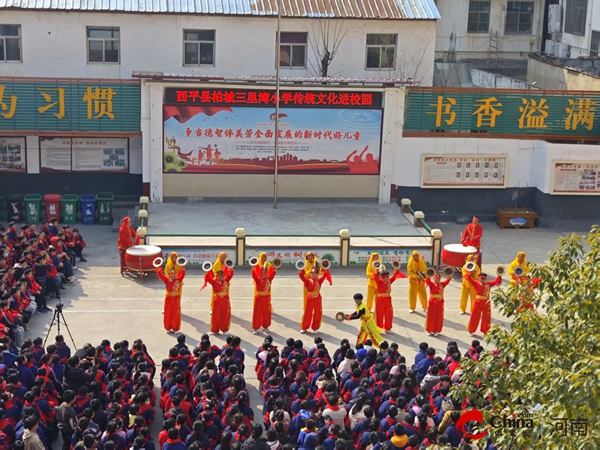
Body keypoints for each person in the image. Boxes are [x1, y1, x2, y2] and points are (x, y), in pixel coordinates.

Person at [465, 272, 502, 336]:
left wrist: (499, 275)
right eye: (481, 279)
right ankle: (471, 330)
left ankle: (485, 331)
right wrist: (469, 273)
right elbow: (469, 279)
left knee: (486, 317)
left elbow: (496, 281)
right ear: (479, 278)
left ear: (485, 279)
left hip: (486, 303)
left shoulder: (488, 284)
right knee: (474, 316)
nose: (482, 280)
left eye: (483, 279)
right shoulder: (476, 283)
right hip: (478, 303)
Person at [298, 265, 331, 334]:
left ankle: (315, 328)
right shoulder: (307, 281)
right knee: (308, 313)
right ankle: (304, 327)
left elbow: (324, 275)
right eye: (312, 273)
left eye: (314, 273)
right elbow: (301, 277)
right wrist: (300, 269)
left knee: (317, 313)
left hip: (318, 298)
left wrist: (325, 268)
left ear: (317, 274)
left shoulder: (319, 280)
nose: (313, 275)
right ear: (310, 274)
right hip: (310, 298)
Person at [154, 264, 186, 335]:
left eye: (174, 274)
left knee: (176, 314)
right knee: (168, 313)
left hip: (176, 300)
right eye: (171, 274)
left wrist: (183, 268)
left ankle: (176, 328)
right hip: (168, 299)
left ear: (176, 274)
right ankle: (168, 328)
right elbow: (161, 276)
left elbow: (182, 275)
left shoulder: (178, 280)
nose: (173, 276)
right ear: (169, 275)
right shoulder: (167, 280)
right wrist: (159, 269)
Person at [370, 266, 402, 333]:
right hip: (380, 300)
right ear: (383, 277)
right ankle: (378, 328)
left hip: (388, 300)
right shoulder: (379, 282)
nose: (388, 278)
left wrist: (395, 270)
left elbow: (394, 277)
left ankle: (388, 328)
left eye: (388, 277)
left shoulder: (389, 282)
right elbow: (375, 277)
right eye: (386, 277)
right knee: (379, 314)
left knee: (389, 314)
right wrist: (377, 270)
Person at [203, 268, 234, 335]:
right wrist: (207, 271)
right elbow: (208, 278)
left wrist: (231, 268)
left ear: (223, 276)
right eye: (218, 276)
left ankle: (224, 330)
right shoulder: (214, 282)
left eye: (221, 276)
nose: (219, 278)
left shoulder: (226, 281)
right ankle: (214, 329)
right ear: (216, 276)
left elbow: (230, 275)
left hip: (225, 301)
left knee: (225, 315)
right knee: (216, 315)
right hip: (217, 301)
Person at [251, 261, 276, 334]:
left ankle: (265, 326)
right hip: (258, 298)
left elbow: (273, 273)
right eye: (262, 273)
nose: (264, 274)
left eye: (265, 273)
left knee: (266, 313)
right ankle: (255, 328)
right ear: (260, 273)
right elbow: (254, 275)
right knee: (257, 313)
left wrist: (274, 267)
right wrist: (253, 268)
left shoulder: (269, 280)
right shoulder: (258, 280)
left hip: (266, 298)